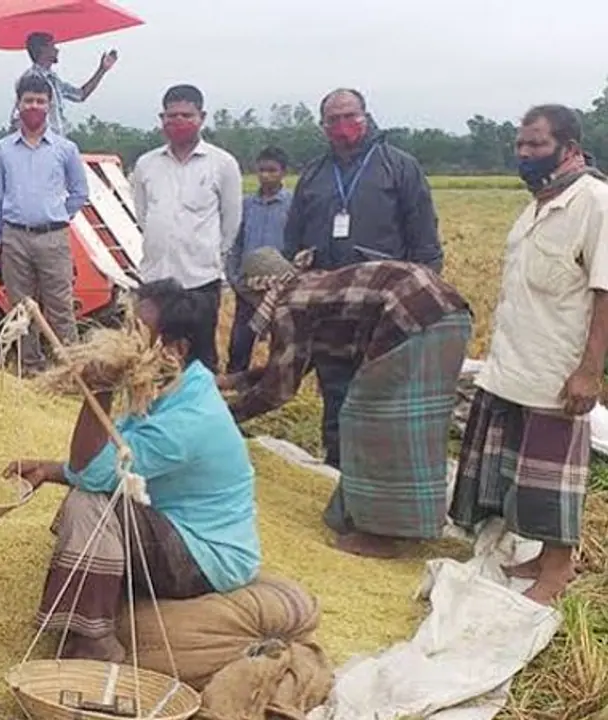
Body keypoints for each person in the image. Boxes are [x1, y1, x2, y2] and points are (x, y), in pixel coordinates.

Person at [8, 279, 261, 662]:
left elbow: (94, 475)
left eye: (136, 334)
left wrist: (101, 388)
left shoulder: (189, 420)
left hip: (207, 555)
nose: (124, 341)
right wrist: (51, 470)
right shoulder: (173, 388)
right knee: (91, 496)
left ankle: (96, 640)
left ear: (175, 350)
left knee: (90, 506)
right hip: (177, 526)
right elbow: (113, 460)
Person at [449, 104, 608, 606]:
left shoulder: (594, 203)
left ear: (570, 149)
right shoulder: (537, 204)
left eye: (536, 145)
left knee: (553, 480)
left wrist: (589, 372)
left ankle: (556, 571)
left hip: (557, 372)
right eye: (520, 144)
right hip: (515, 363)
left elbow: (605, 293)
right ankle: (540, 555)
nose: (525, 153)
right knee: (522, 472)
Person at [218, 247, 472, 559]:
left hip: (413, 315)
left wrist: (223, 417)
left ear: (260, 289)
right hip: (446, 314)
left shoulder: (289, 304)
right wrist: (232, 382)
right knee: (416, 424)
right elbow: (293, 365)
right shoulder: (309, 288)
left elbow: (279, 390)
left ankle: (379, 535)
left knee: (372, 419)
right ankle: (381, 519)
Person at [280, 88, 444, 470]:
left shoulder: (398, 166)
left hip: (384, 306)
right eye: (332, 119)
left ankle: (379, 475)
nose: (342, 126)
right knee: (335, 388)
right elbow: (294, 238)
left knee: (382, 388)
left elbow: (424, 238)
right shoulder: (315, 174)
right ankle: (337, 467)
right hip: (330, 304)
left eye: (349, 116)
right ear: (322, 127)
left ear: (366, 116)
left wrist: (425, 298)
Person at [131, 84, 243, 374]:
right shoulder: (146, 165)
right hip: (156, 278)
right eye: (170, 116)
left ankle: (199, 414)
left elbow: (231, 221)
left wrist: (210, 254)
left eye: (185, 115)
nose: (177, 122)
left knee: (200, 359)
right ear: (161, 118)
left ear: (201, 117)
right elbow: (144, 216)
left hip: (199, 281)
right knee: (152, 358)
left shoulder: (222, 164)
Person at [0, 73, 90, 375]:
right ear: (18, 105)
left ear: (49, 105)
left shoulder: (65, 149)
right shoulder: (3, 149)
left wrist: (57, 214)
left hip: (53, 237)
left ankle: (68, 369)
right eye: (28, 101)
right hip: (14, 236)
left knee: (60, 306)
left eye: (40, 101)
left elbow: (80, 192)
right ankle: (28, 367)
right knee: (20, 308)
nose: (34, 106)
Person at [226, 147, 292, 374]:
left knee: (281, 340)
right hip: (247, 286)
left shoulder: (292, 205)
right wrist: (234, 278)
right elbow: (235, 243)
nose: (266, 176)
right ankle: (234, 383)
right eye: (262, 170)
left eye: (272, 170)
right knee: (240, 341)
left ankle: (273, 385)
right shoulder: (246, 205)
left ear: (283, 172)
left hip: (279, 286)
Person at [11, 31, 117, 136]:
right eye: (52, 46)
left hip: (58, 143)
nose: (57, 50)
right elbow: (17, 118)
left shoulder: (54, 80)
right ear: (42, 50)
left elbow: (81, 95)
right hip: (42, 145)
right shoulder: (29, 78)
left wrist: (102, 69)